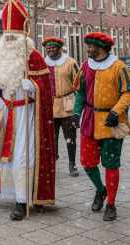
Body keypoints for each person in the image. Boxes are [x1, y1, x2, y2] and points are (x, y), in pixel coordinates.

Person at [0, 0, 56, 221]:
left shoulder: (33, 57)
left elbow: (46, 92)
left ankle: (23, 200)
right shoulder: (1, 59)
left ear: (23, 36)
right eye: (6, 36)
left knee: (22, 157)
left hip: (27, 115)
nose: (9, 41)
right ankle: (15, 195)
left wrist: (34, 88)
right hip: (6, 114)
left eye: (13, 37)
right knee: (5, 157)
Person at [73, 32, 130, 222]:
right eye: (88, 46)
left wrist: (116, 111)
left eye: (92, 46)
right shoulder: (86, 66)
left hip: (112, 122)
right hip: (90, 120)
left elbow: (128, 92)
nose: (89, 49)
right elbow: (80, 93)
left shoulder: (119, 67)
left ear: (102, 48)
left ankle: (111, 204)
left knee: (111, 164)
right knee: (87, 162)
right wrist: (76, 113)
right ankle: (101, 190)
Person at [43, 36, 80, 177]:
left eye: (53, 48)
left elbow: (79, 85)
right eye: (48, 48)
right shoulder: (43, 64)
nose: (50, 50)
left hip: (67, 105)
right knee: (50, 138)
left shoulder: (70, 62)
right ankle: (52, 162)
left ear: (59, 49)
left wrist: (78, 109)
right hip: (50, 106)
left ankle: (72, 164)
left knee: (70, 137)